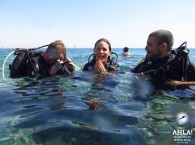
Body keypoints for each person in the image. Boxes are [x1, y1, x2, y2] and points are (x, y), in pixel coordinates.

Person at [10, 40, 75, 79]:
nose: (59, 62)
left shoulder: (55, 63)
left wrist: (71, 68)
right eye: (58, 60)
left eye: (62, 60)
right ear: (50, 56)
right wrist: (51, 73)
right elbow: (35, 85)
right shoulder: (34, 63)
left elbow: (70, 76)